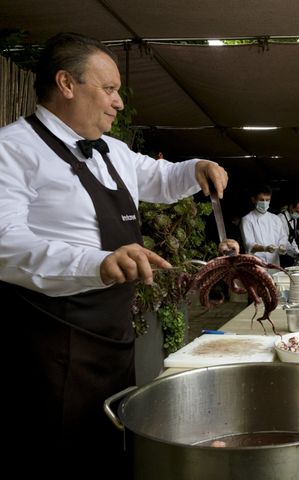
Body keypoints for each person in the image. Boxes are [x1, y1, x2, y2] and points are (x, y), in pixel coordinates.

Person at [0, 32, 236, 478]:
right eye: (108, 89)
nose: (119, 103)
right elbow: (5, 245)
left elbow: (161, 178)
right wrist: (97, 262)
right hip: (50, 340)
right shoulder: (12, 150)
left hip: (112, 335)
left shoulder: (113, 152)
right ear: (67, 83)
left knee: (108, 446)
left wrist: (198, 168)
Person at [240, 184, 291, 267]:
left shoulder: (275, 219)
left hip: (274, 263)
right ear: (253, 200)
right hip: (256, 263)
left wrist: (282, 247)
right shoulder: (247, 219)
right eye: (261, 200)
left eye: (267, 200)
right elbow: (249, 244)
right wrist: (265, 248)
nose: (264, 203)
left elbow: (283, 237)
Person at [278, 197, 299, 268]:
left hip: (289, 254)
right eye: (297, 211)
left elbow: (292, 238)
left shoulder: (294, 219)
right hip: (280, 254)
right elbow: (284, 241)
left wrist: (298, 252)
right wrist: (294, 254)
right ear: (291, 207)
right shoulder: (280, 218)